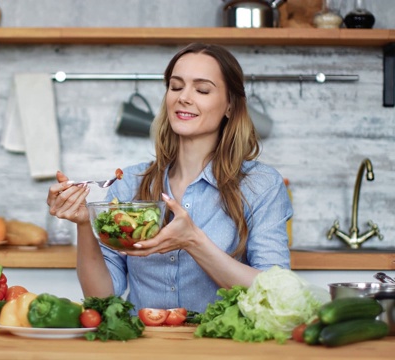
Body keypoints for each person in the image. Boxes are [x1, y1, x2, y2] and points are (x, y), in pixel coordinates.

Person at [46, 43, 292, 313]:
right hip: (144, 348)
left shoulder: (261, 184)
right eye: (176, 87)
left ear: (230, 106)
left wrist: (194, 242)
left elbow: (275, 294)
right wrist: (84, 224)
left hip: (222, 348)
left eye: (202, 89)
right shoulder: (130, 181)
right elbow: (102, 297)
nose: (183, 97)